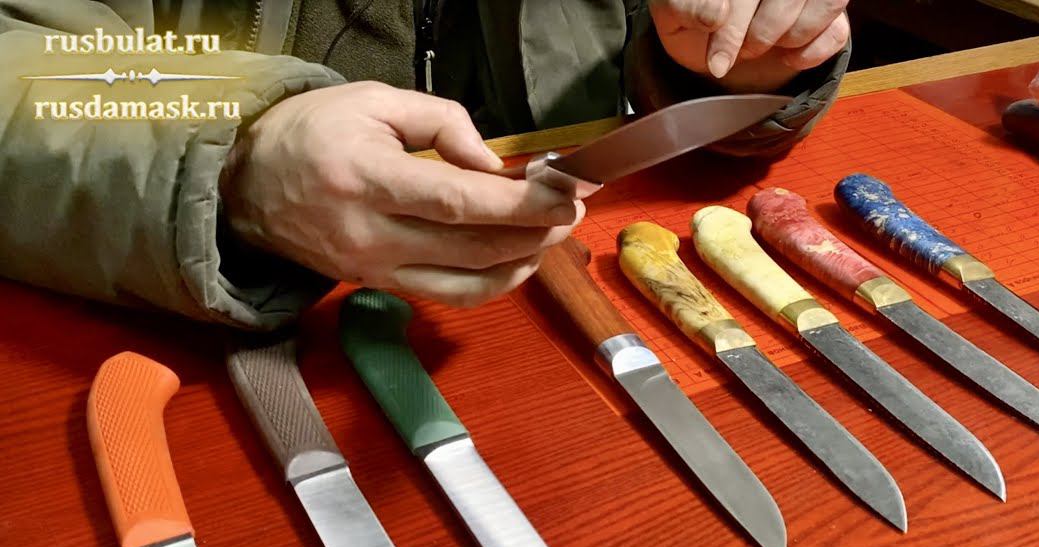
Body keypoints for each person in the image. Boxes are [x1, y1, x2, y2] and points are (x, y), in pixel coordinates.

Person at [0, 1, 851, 330]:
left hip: (544, 313)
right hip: (207, 326)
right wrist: (233, 154)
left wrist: (729, 62)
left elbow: (648, 40)